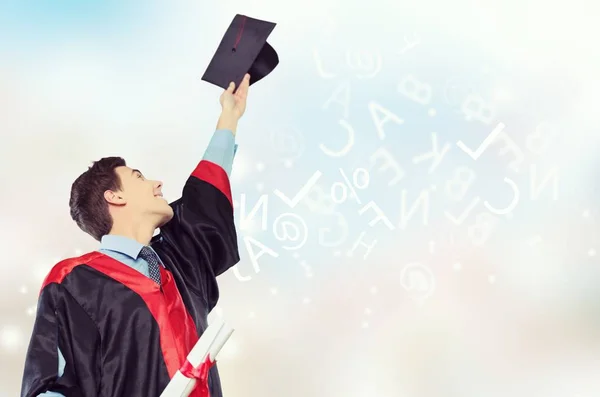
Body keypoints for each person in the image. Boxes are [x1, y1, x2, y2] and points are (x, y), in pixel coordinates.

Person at [20, 74, 252, 397]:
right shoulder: (73, 283)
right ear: (114, 197)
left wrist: (230, 115)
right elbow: (51, 384)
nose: (157, 183)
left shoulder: (179, 262)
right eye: (139, 177)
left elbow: (205, 201)